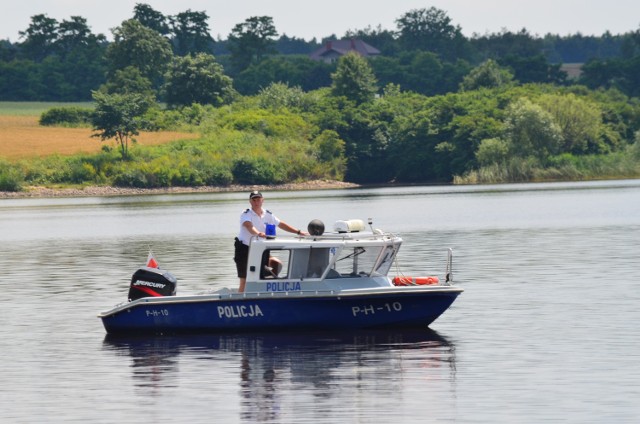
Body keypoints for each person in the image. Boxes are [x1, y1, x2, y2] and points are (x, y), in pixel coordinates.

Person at [234, 190, 308, 293]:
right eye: (254, 200)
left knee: (277, 264)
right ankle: (240, 299)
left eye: (258, 199)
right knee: (245, 279)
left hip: (261, 248)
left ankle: (263, 291)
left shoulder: (267, 214)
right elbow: (249, 226)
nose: (256, 202)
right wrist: (258, 233)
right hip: (245, 248)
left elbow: (280, 224)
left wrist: (298, 232)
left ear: (262, 200)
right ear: (250, 201)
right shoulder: (246, 213)